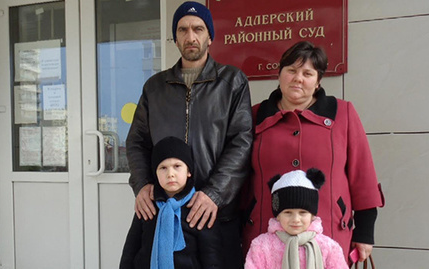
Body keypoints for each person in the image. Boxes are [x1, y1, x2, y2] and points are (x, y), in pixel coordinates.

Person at [125, 1, 253, 267]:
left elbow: (241, 142)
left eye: (198, 29)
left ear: (210, 36)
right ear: (175, 37)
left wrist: (214, 194)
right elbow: (137, 142)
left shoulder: (232, 82)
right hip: (164, 212)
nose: (190, 36)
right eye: (183, 30)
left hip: (215, 214)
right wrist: (142, 185)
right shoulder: (155, 87)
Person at [242, 41, 384, 262]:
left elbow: (362, 175)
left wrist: (365, 232)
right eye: (291, 71)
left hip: (329, 236)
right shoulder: (254, 116)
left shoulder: (343, 114)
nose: (298, 78)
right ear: (279, 75)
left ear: (317, 82)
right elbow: (241, 175)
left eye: (307, 73)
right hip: (266, 239)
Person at [120, 136, 224, 268]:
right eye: (163, 168)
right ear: (155, 173)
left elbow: (212, 257)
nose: (170, 174)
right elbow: (130, 249)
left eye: (177, 166)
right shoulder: (148, 205)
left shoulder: (199, 208)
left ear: (189, 171)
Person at [245, 169, 348, 269]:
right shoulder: (262, 246)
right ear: (278, 215)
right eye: (288, 212)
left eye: (303, 212)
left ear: (312, 215)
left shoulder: (328, 247)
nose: (296, 219)